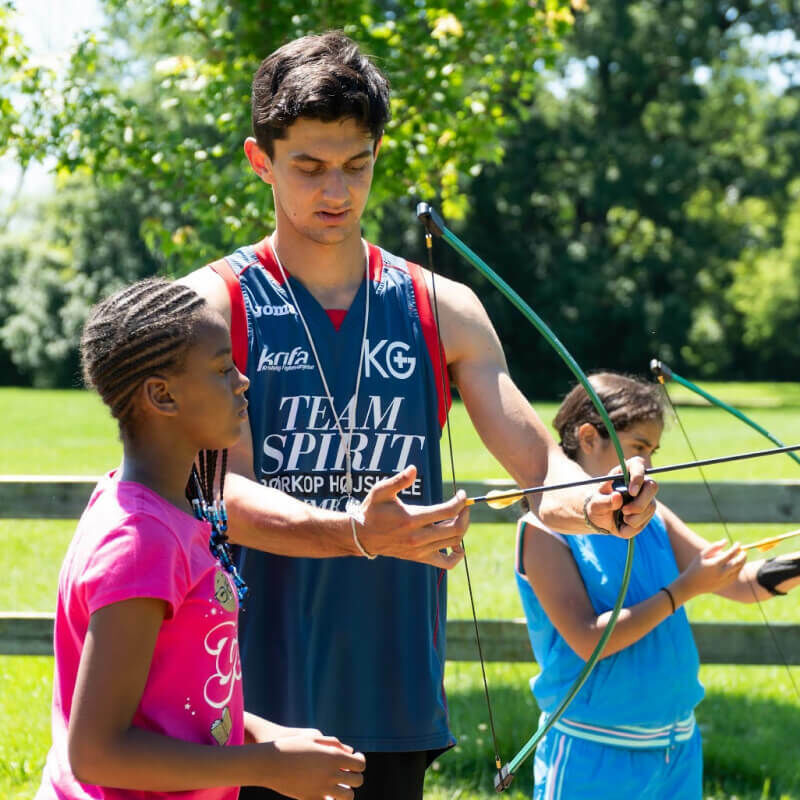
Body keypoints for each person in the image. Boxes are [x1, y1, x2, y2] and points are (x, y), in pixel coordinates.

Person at [181, 32, 659, 799]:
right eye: (308, 166)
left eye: (357, 165)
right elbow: (219, 496)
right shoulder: (212, 305)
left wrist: (601, 506)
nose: (335, 191)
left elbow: (541, 469)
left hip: (390, 700)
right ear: (259, 159)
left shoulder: (445, 309)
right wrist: (359, 533)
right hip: (244, 706)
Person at [36, 278, 366, 800]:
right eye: (221, 369)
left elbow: (174, 699)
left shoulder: (166, 512)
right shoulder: (141, 542)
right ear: (162, 395)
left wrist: (262, 734)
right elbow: (96, 752)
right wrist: (264, 765)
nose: (243, 381)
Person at [516, 372, 800, 800]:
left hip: (675, 749)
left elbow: (740, 582)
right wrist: (684, 590)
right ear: (589, 438)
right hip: (592, 752)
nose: (647, 464)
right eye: (638, 448)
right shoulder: (543, 530)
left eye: (653, 451)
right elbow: (591, 639)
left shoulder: (652, 516)